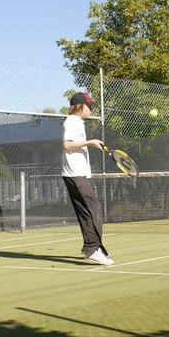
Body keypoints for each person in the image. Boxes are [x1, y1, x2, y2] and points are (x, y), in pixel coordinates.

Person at [62, 92, 113, 266]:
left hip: (75, 174)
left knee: (86, 211)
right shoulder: (73, 121)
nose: (91, 108)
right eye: (89, 105)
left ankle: (89, 248)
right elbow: (67, 145)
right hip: (75, 174)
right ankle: (93, 249)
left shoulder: (77, 122)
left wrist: (91, 142)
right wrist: (89, 142)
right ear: (79, 106)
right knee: (94, 209)